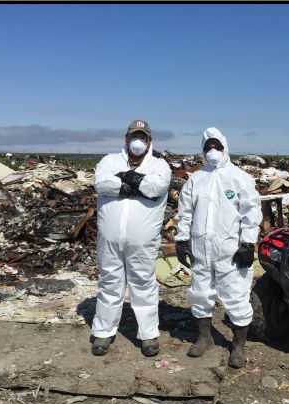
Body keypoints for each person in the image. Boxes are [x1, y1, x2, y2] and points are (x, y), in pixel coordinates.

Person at [175, 127, 262, 368]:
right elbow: (185, 212)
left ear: (225, 148)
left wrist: (248, 243)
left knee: (236, 296)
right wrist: (182, 240)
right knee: (200, 293)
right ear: (203, 151)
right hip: (201, 248)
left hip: (231, 250)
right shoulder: (196, 179)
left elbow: (251, 213)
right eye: (208, 147)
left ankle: (238, 346)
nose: (212, 151)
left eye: (217, 146)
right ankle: (204, 337)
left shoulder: (240, 178)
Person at [91, 120, 171, 357]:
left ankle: (148, 335)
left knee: (143, 284)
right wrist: (137, 184)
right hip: (110, 240)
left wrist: (125, 179)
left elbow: (155, 187)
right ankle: (103, 333)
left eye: (142, 137)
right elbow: (102, 183)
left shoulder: (160, 165)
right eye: (134, 137)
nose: (138, 142)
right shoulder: (109, 161)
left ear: (149, 141)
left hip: (142, 242)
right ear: (126, 139)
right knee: (109, 284)